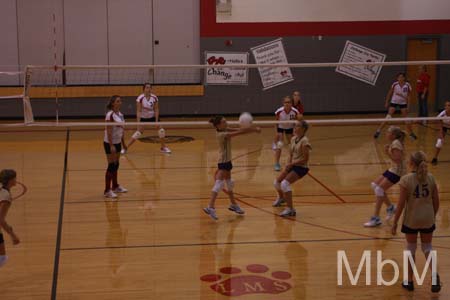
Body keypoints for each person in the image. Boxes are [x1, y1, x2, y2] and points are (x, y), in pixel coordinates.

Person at [391, 151, 441, 293]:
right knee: (427, 247)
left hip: (412, 219)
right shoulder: (431, 178)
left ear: (411, 163)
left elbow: (400, 204)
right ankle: (435, 277)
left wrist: (395, 222)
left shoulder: (406, 180)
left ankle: (409, 281)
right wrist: (432, 215)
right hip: (427, 218)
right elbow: (436, 201)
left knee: (410, 249)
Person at [203, 116, 261, 220]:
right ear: (218, 125)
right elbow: (239, 133)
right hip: (223, 162)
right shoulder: (222, 134)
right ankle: (210, 206)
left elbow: (239, 130)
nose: (226, 123)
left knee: (229, 183)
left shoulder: (224, 129)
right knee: (219, 184)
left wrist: (248, 128)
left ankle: (233, 204)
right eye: (224, 122)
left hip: (227, 161)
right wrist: (253, 129)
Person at [364, 126, 406, 227]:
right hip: (393, 169)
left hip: (397, 172)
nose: (386, 134)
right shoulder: (394, 143)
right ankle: (391, 207)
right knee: (374, 185)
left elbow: (398, 160)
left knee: (379, 190)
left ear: (393, 135)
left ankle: (376, 218)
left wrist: (387, 153)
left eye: (388, 132)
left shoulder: (396, 144)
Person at [273, 120, 311, 217]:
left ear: (303, 129)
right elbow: (290, 154)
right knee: (276, 182)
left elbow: (305, 159)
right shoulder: (293, 139)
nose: (295, 128)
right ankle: (282, 198)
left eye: (297, 126)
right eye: (295, 126)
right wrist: (288, 163)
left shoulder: (305, 141)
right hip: (293, 165)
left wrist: (292, 163)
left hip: (301, 167)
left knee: (285, 184)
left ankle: (290, 209)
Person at [122, 83, 171, 154]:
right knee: (138, 133)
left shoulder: (154, 97)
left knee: (161, 130)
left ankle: (163, 147)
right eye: (147, 88)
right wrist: (138, 124)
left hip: (152, 116)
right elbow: (138, 111)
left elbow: (156, 109)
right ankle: (125, 148)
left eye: (150, 88)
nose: (149, 89)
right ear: (144, 89)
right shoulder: (140, 98)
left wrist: (156, 121)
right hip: (143, 117)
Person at [374, 73, 417, 140]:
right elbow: (390, 93)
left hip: (403, 103)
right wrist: (387, 102)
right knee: (388, 117)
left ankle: (411, 134)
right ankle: (378, 131)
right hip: (394, 102)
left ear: (404, 78)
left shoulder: (407, 85)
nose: (400, 78)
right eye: (399, 77)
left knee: (406, 119)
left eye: (402, 77)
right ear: (397, 78)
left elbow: (409, 96)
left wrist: (408, 106)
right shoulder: (395, 84)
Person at [103, 95, 128, 198]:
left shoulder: (120, 115)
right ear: (113, 103)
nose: (120, 102)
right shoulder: (110, 115)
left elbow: (121, 130)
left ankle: (115, 186)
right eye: (118, 101)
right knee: (111, 165)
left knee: (116, 164)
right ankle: (107, 190)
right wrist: (111, 145)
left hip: (118, 142)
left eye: (120, 101)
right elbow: (109, 130)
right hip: (109, 143)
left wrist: (124, 144)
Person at [273, 96, 301, 171]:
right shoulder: (279, 111)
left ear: (291, 104)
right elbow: (275, 122)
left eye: (289, 102)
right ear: (283, 103)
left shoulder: (295, 111)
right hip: (281, 128)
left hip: (290, 128)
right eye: (285, 102)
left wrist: (295, 131)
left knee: (291, 146)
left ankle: (290, 163)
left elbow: (297, 122)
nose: (287, 104)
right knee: (280, 145)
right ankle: (276, 163)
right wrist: (277, 132)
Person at [0, 169, 20, 268]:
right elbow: (0, 220)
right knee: (2, 258)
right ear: (10, 180)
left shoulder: (2, 190)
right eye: (14, 178)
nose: (16, 180)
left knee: (2, 258)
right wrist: (13, 235)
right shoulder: (6, 196)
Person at [431, 100, 450, 165]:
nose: (447, 107)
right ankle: (435, 158)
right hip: (444, 126)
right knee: (439, 142)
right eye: (446, 105)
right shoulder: (442, 114)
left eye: (449, 105)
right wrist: (441, 134)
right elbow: (439, 124)